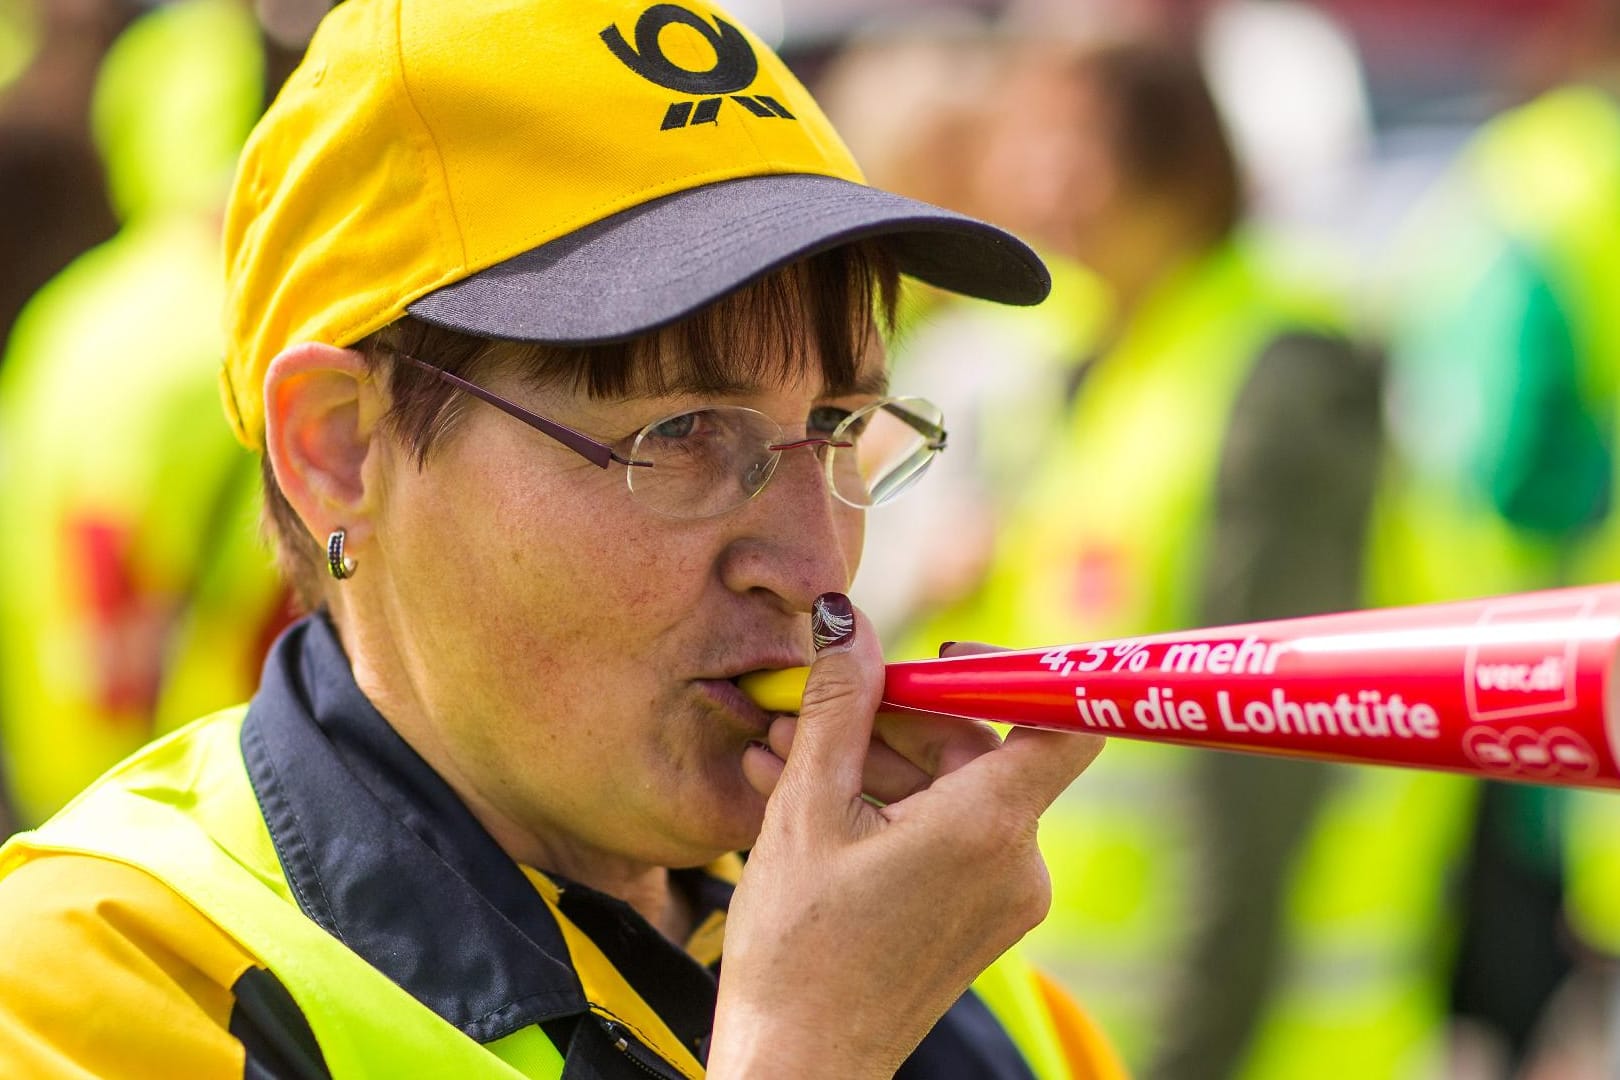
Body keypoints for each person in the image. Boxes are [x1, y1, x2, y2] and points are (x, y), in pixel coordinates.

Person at [0, 1, 1122, 1077]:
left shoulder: (945, 973)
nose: (814, 570)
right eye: (680, 431)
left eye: (835, 428)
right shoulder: (101, 977)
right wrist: (806, 1052)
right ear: (340, 449)